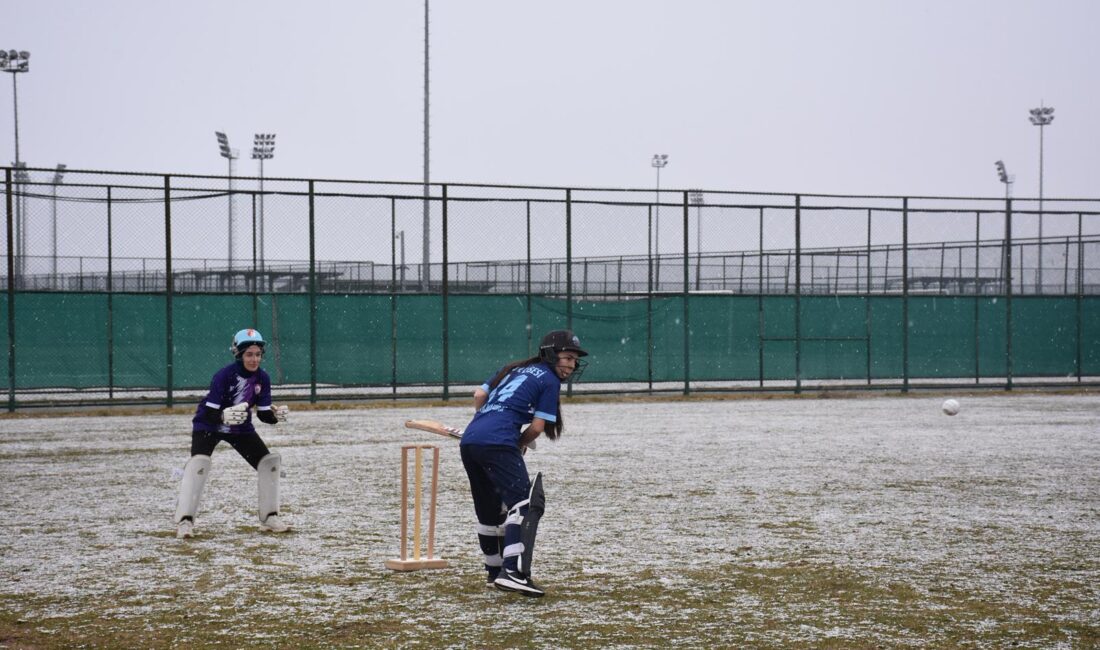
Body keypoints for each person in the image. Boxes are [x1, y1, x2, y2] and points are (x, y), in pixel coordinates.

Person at [459, 329, 589, 597]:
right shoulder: (550, 380)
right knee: (524, 504)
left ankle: (493, 573)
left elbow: (478, 396)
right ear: (551, 355)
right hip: (497, 440)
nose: (571, 365)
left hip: (471, 439)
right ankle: (513, 572)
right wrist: (516, 442)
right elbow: (538, 427)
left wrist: (485, 424)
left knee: (489, 506)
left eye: (574, 360)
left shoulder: (513, 369)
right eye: (567, 357)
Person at [174, 328, 291, 539]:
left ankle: (269, 518)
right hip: (208, 426)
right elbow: (209, 413)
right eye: (249, 354)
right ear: (238, 354)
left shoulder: (262, 378)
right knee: (198, 465)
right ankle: (185, 521)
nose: (254, 359)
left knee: (269, 464)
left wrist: (276, 416)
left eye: (258, 354)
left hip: (240, 428)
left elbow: (264, 414)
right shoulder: (224, 375)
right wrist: (222, 417)